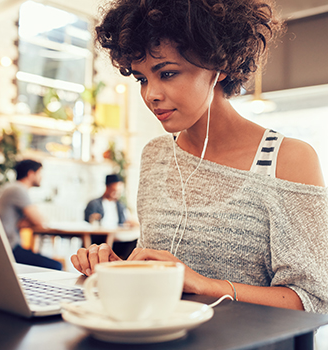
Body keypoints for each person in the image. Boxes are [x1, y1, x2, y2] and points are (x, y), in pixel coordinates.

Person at [71, 0, 328, 313]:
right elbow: (161, 271)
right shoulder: (157, 156)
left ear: (219, 65)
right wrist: (117, 268)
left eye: (167, 73)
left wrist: (204, 284)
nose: (150, 94)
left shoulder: (287, 159)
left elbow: (314, 300)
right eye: (142, 78)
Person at [0, 159, 62, 270]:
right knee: (56, 266)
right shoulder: (18, 189)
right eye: (39, 173)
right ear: (31, 174)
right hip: (8, 248)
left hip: (5, 245)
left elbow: (21, 223)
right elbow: (40, 221)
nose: (41, 177)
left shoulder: (12, 188)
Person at [84, 174, 138, 259]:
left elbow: (124, 221)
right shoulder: (94, 203)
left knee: (136, 242)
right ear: (107, 187)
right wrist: (93, 218)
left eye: (118, 192)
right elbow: (87, 221)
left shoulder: (120, 205)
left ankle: (124, 264)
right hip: (100, 239)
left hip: (117, 240)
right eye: (114, 190)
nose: (116, 194)